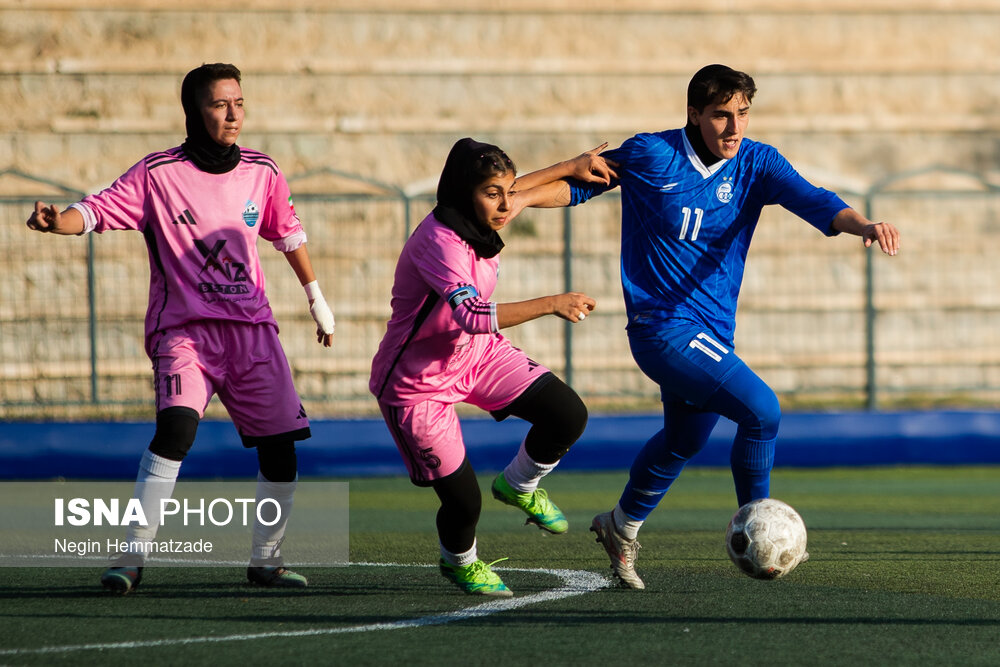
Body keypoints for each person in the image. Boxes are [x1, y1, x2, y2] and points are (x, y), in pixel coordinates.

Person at [525, 64, 901, 589]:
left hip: (710, 331)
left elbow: (813, 199)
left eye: (742, 113)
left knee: (684, 439)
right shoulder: (652, 154)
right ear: (694, 114)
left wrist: (863, 224)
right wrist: (515, 200)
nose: (734, 126)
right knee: (761, 410)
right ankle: (760, 523)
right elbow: (579, 186)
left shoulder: (757, 162)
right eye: (721, 114)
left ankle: (620, 526)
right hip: (661, 326)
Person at [25, 63, 335, 594]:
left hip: (252, 333)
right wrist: (61, 222)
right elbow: (98, 209)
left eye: (239, 102)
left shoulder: (263, 170)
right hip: (185, 332)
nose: (234, 114)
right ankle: (130, 558)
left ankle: (266, 561)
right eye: (220, 104)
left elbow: (287, 233)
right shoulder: (158, 173)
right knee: (176, 433)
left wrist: (316, 298)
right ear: (195, 111)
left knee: (280, 447)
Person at [369, 137, 614, 597]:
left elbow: (516, 190)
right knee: (464, 501)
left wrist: (572, 165)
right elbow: (474, 316)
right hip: (418, 383)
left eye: (506, 191)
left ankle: (520, 484)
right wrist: (552, 303)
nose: (506, 204)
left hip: (476, 355)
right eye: (493, 193)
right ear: (466, 193)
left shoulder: (482, 213)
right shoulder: (440, 242)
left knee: (567, 414)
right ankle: (460, 562)